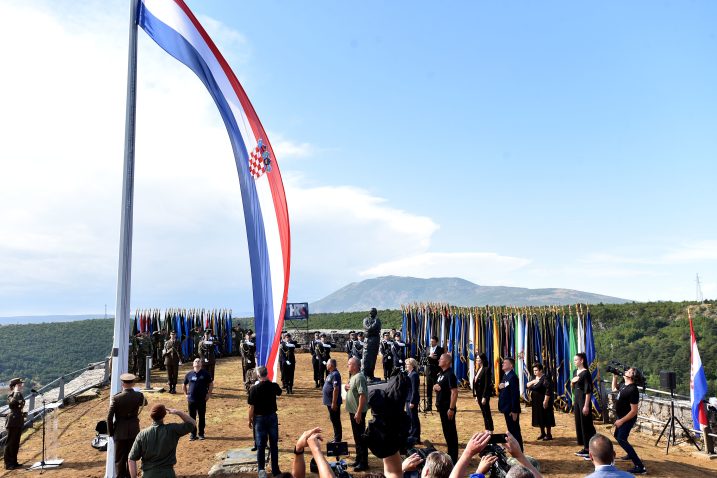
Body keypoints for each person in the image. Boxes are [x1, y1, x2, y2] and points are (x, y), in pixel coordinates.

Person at [128, 404, 196, 478]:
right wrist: (178, 412)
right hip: (168, 474)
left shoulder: (142, 434)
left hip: (148, 474)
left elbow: (131, 459)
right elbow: (192, 423)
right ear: (164, 415)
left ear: (151, 416)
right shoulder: (172, 429)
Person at [107, 373, 147, 478]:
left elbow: (109, 418)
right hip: (134, 430)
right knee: (131, 457)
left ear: (122, 384)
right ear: (133, 383)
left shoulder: (116, 398)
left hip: (119, 431)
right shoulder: (139, 396)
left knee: (119, 459)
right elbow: (145, 403)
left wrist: (111, 432)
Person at [248, 366, 283, 477]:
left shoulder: (253, 389)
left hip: (259, 419)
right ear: (267, 374)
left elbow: (251, 408)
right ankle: (275, 470)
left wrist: (249, 420)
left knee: (261, 445)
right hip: (272, 417)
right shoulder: (273, 386)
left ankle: (261, 470)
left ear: (258, 376)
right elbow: (280, 392)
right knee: (274, 445)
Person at [612, 368, 646, 474]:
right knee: (618, 436)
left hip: (627, 418)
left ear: (632, 376)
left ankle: (640, 466)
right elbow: (614, 389)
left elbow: (634, 411)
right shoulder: (624, 385)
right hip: (621, 417)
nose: (625, 371)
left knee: (621, 438)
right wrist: (615, 376)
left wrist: (621, 421)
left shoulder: (633, 390)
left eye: (628, 371)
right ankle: (629, 454)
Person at [433, 353, 458, 463]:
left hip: (448, 408)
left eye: (441, 359)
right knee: (446, 432)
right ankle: (450, 453)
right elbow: (440, 387)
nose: (439, 360)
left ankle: (453, 456)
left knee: (451, 432)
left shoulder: (450, 374)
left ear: (447, 362)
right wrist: (436, 387)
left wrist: (451, 408)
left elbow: (454, 392)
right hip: (442, 407)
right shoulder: (440, 373)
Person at [345, 357, 369, 471]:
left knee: (361, 438)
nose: (347, 366)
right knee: (356, 438)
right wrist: (346, 387)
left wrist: (359, 412)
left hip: (357, 412)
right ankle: (359, 459)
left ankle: (364, 462)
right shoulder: (353, 376)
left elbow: (362, 395)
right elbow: (351, 388)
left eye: (349, 364)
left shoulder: (359, 377)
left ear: (355, 366)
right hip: (353, 412)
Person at [572, 352, 596, 458]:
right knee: (579, 423)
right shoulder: (575, 372)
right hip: (577, 400)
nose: (574, 362)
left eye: (576, 360)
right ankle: (585, 446)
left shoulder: (586, 373)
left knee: (586, 424)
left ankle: (589, 448)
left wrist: (586, 405)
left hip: (583, 400)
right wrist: (573, 382)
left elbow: (588, 391)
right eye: (574, 360)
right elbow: (574, 387)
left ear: (582, 360)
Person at [183, 357, 213, 440]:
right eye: (195, 361)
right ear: (193, 364)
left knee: (201, 417)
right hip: (191, 400)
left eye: (199, 361)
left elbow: (211, 384)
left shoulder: (205, 374)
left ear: (201, 364)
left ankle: (201, 434)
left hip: (201, 400)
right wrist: (186, 395)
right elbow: (184, 385)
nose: (197, 362)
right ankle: (193, 434)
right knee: (191, 417)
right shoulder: (189, 374)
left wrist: (208, 394)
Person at [498, 357, 523, 451]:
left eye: (505, 363)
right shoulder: (506, 375)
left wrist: (514, 410)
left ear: (511, 366)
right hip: (506, 408)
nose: (503, 364)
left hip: (511, 410)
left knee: (515, 431)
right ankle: (514, 449)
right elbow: (504, 387)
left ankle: (519, 451)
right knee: (511, 431)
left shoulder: (513, 377)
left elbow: (515, 395)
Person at [526, 363, 555, 441]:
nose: (534, 372)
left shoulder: (545, 378)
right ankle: (542, 433)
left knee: (546, 416)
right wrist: (533, 382)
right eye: (534, 370)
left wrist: (545, 401)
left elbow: (548, 390)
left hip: (544, 399)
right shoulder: (533, 377)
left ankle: (549, 434)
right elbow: (527, 385)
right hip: (536, 401)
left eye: (536, 370)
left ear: (541, 370)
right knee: (539, 416)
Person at [3, 378, 25, 470]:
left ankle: (14, 462)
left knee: (16, 443)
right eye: (18, 385)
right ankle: (8, 464)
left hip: (18, 420)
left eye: (20, 385)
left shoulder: (19, 394)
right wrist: (16, 392)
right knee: (10, 443)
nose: (21, 386)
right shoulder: (11, 395)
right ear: (14, 386)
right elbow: (13, 403)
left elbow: (20, 405)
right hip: (12, 421)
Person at [472, 352, 494, 431]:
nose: (477, 360)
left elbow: (486, 384)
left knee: (487, 412)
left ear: (482, 359)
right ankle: (487, 429)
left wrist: (484, 396)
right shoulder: (478, 369)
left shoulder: (486, 369)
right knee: (483, 413)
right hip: (479, 394)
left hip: (484, 395)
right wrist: (476, 395)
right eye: (476, 358)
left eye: (479, 358)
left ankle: (490, 429)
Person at [322, 358, 342, 442]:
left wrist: (334, 403)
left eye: (327, 364)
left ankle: (337, 439)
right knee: (333, 420)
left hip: (333, 403)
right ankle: (336, 437)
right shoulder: (330, 374)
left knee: (336, 420)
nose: (326, 365)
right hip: (329, 402)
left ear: (331, 365)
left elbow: (336, 389)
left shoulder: (335, 374)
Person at [405, 357, 421, 447]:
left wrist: (412, 401)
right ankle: (412, 435)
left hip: (412, 399)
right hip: (408, 398)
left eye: (407, 364)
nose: (406, 366)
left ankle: (415, 437)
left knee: (413, 418)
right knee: (410, 418)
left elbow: (415, 390)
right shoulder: (410, 373)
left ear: (412, 365)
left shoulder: (414, 375)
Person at [362, 307, 382, 380]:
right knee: (366, 358)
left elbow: (377, 329)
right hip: (368, 340)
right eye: (370, 311)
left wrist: (370, 330)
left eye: (373, 312)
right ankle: (364, 375)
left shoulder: (377, 320)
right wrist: (373, 327)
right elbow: (367, 328)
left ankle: (371, 375)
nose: (371, 313)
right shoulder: (366, 320)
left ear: (375, 313)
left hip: (375, 340)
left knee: (373, 359)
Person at [425, 336, 444, 411]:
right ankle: (429, 405)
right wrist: (429, 356)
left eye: (432, 341)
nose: (431, 343)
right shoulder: (427, 348)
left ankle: (438, 405)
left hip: (437, 371)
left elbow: (442, 360)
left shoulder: (440, 349)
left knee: (437, 388)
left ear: (436, 342)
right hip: (428, 371)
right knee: (428, 389)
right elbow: (423, 357)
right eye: (430, 341)